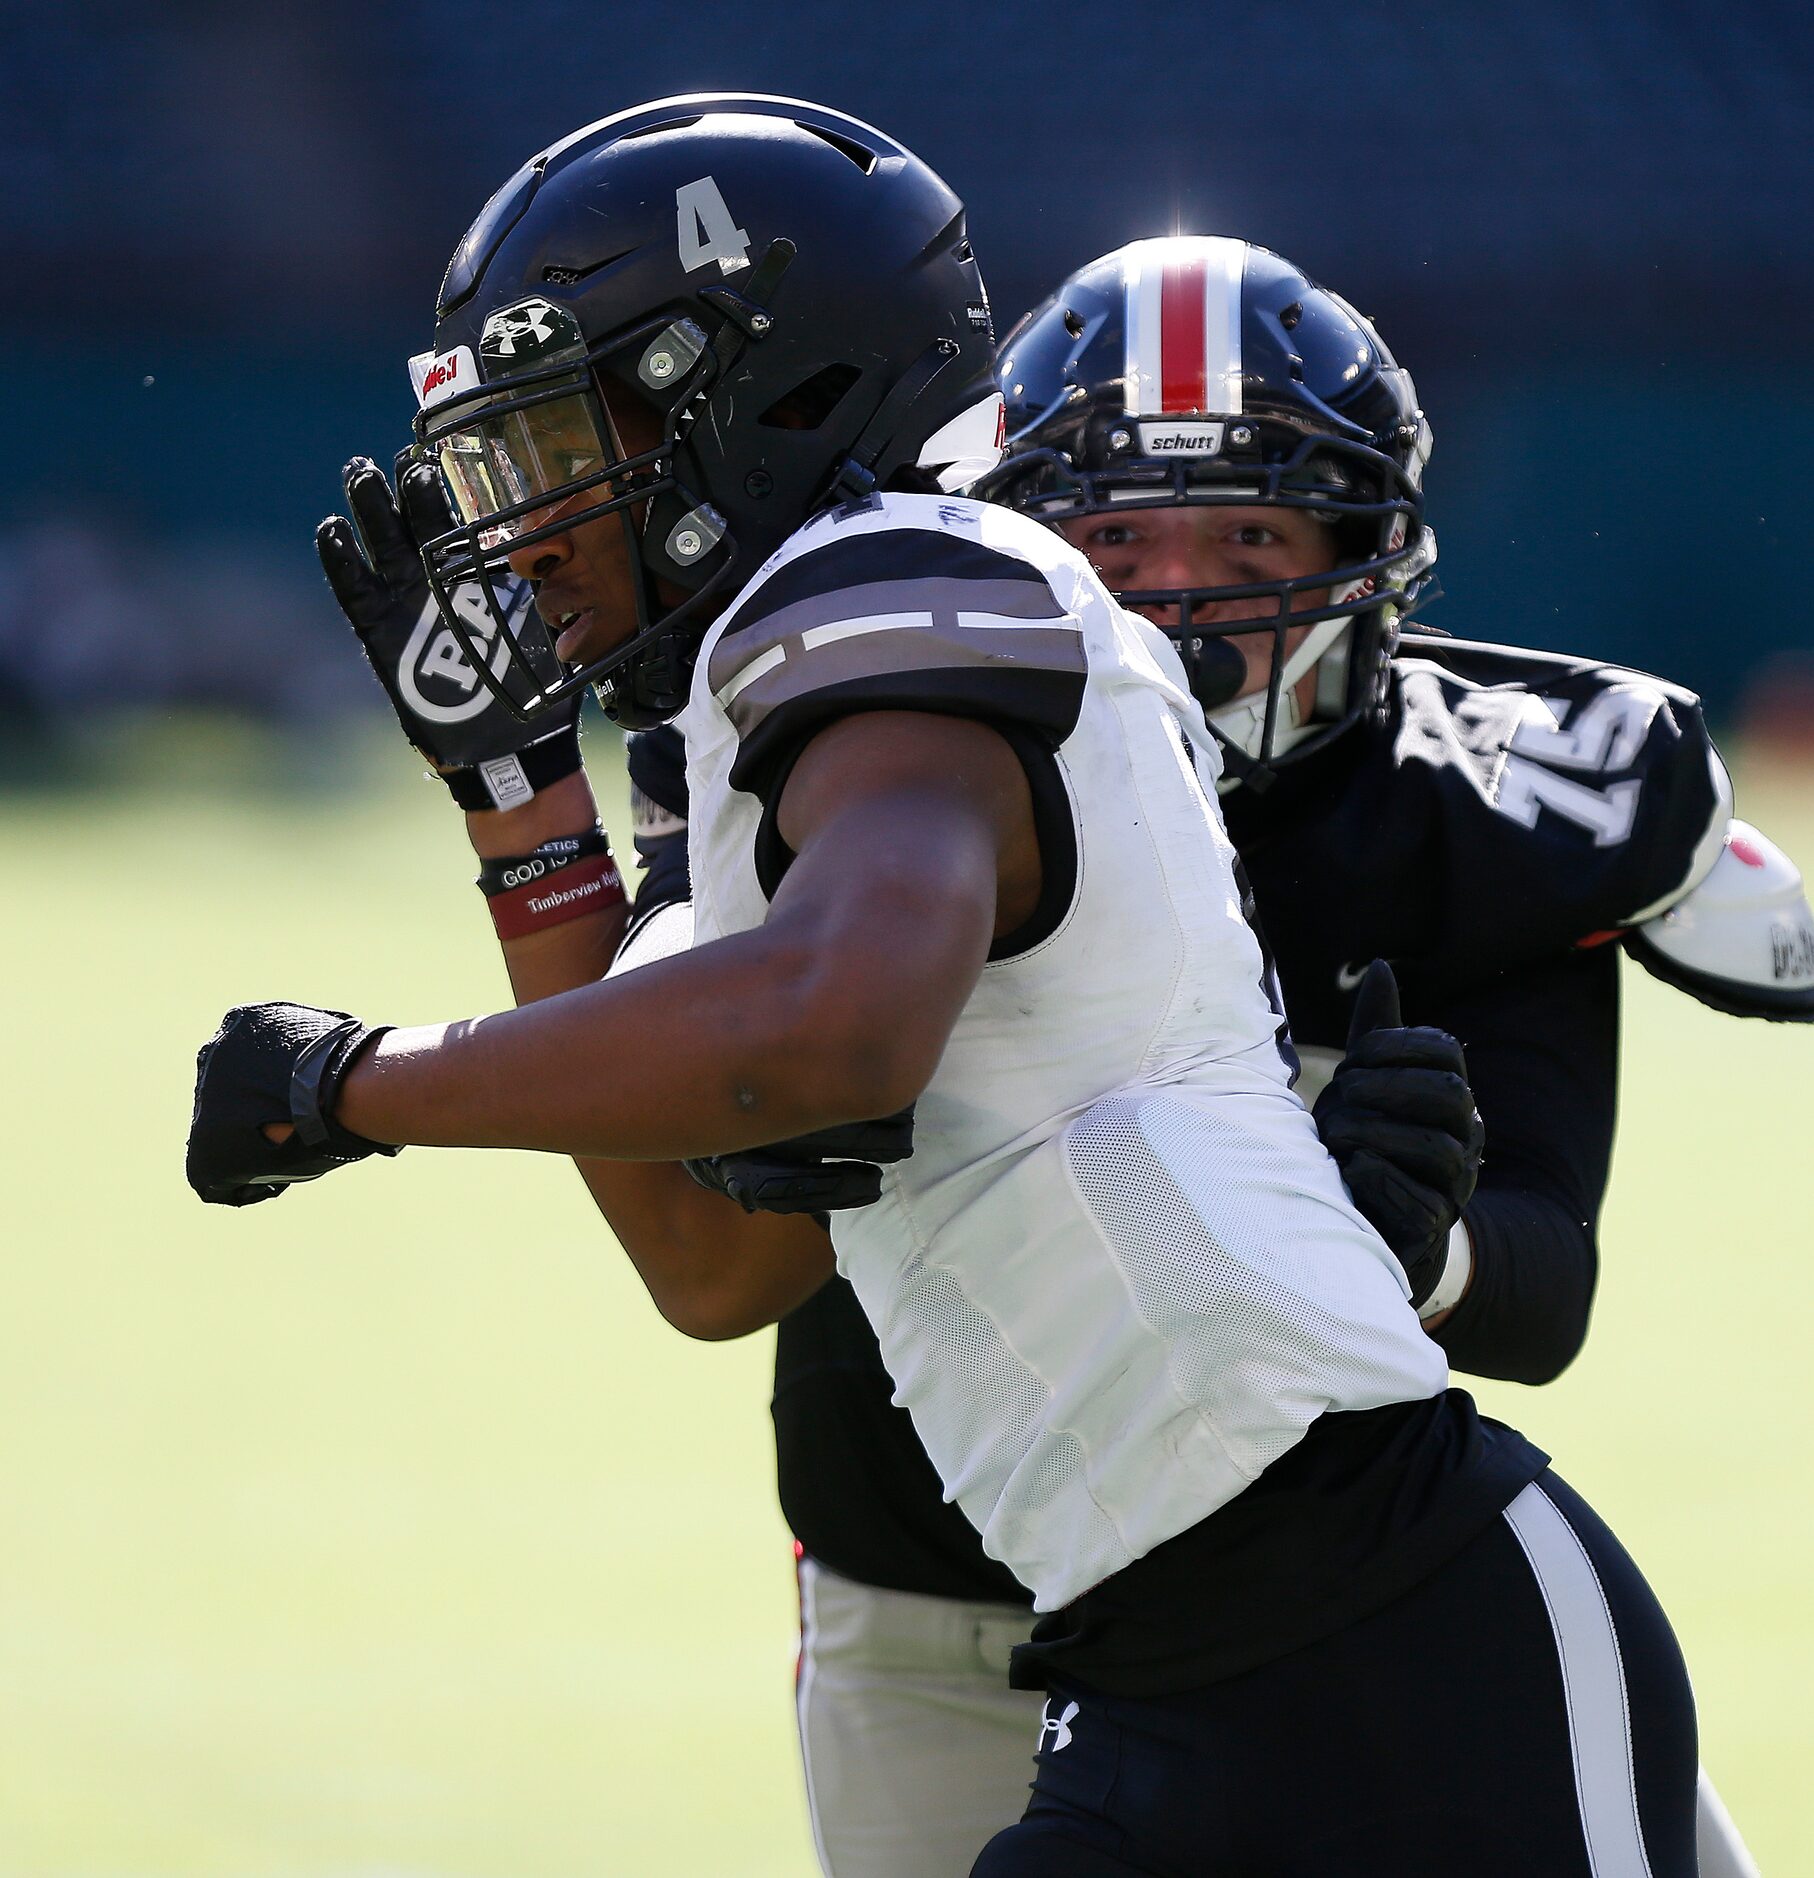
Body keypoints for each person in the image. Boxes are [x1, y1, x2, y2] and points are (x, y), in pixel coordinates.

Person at [186, 99, 1706, 1873]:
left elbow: (832, 1024)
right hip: (1146, 1667)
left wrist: (363, 1082)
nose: (523, 523)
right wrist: (527, 819)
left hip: (1391, 1625)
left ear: (752, 398)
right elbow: (715, 1259)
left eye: (560, 440)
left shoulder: (900, 580)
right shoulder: (778, 698)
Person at [576, 238, 1812, 1878]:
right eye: (1118, 537)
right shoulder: (855, 758)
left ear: (1367, 548)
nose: (1183, 594)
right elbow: (718, 1216)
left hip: (1345, 1592)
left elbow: (1538, 1284)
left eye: (1250, 528)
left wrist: (1414, 1244)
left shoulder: (1495, 802)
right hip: (946, 1616)